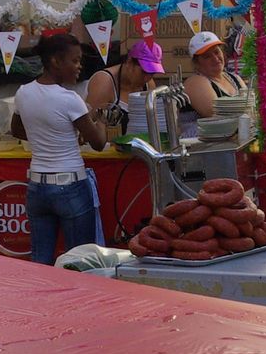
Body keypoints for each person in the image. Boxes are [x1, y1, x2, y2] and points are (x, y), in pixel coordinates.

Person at [10, 32, 108, 265]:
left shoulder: (23, 92)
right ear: (55, 61)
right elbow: (98, 142)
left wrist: (53, 135)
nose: (79, 66)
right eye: (74, 60)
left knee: (40, 261)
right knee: (79, 261)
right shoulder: (69, 99)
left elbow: (17, 130)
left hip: (37, 187)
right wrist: (102, 121)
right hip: (70, 185)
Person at [84, 40, 169, 134]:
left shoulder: (149, 84)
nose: (147, 78)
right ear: (129, 62)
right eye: (144, 72)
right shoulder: (104, 82)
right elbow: (88, 125)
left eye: (152, 73)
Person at [183, 31, 247, 118]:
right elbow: (214, 112)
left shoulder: (235, 78)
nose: (215, 58)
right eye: (207, 56)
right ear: (197, 63)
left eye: (216, 52)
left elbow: (251, 105)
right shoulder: (195, 82)